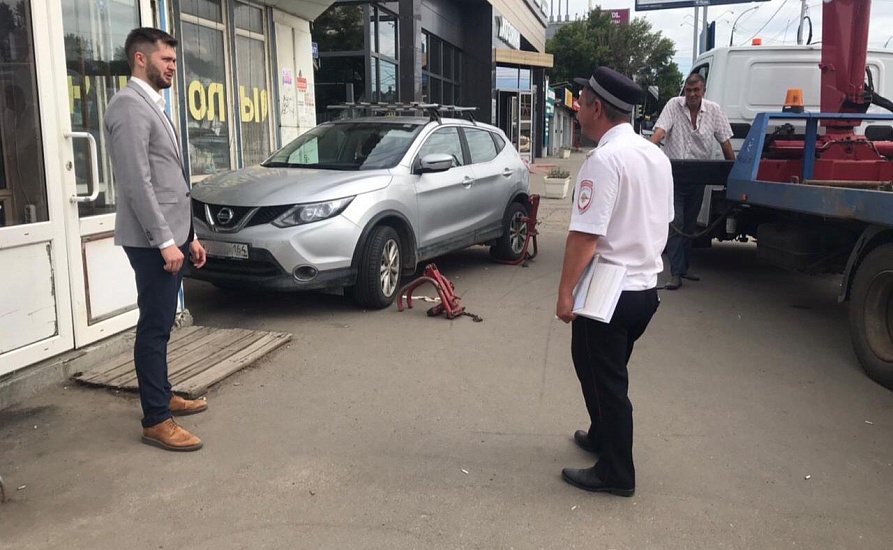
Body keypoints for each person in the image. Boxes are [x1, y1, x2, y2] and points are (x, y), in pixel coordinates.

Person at [555, 67, 674, 496]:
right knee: (591, 364)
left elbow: (585, 236)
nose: (579, 110)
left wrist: (565, 292)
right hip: (644, 290)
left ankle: (616, 473)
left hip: (610, 291)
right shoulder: (654, 156)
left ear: (597, 107)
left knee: (607, 380)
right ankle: (602, 435)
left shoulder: (604, 160)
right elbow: (666, 221)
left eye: (582, 102)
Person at [105, 27, 208, 451]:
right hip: (152, 240)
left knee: (163, 321)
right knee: (153, 326)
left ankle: (162, 395)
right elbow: (137, 183)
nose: (172, 67)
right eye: (166, 59)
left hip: (171, 235)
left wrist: (191, 237)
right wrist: (165, 241)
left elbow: (171, 180)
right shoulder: (128, 107)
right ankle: (156, 419)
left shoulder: (152, 104)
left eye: (174, 60)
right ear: (140, 59)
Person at [650, 73, 735, 290]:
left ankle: (684, 268)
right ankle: (675, 273)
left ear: (703, 92)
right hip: (674, 176)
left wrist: (733, 174)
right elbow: (659, 132)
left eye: (696, 90)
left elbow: (726, 144)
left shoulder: (714, 111)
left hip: (698, 177)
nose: (692, 95)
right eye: (688, 90)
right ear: (684, 91)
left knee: (689, 225)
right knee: (676, 224)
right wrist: (648, 155)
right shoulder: (673, 106)